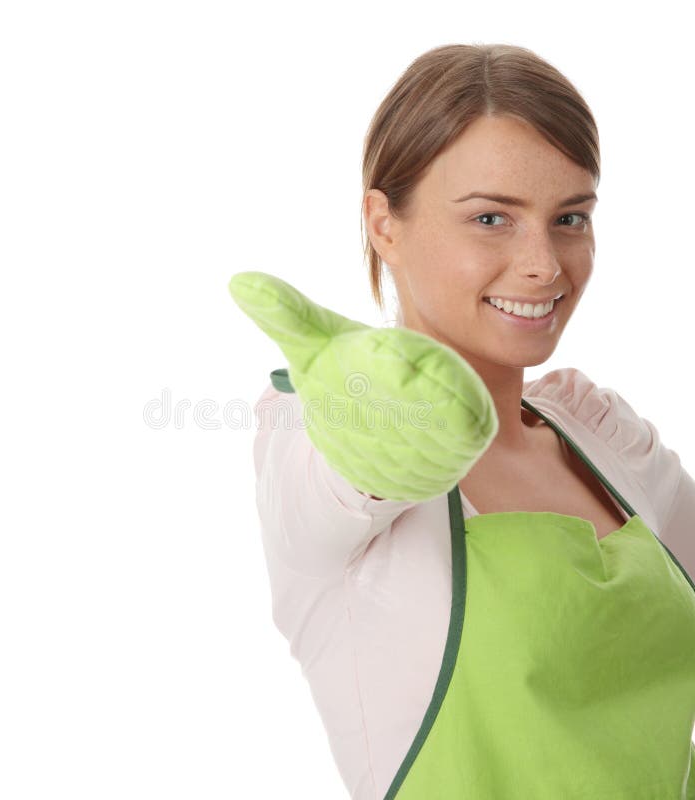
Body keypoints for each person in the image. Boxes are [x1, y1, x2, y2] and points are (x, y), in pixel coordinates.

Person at [244, 43, 695, 799]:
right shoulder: (322, 439)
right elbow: (340, 484)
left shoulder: (597, 436)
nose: (544, 263)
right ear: (384, 224)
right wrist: (380, 403)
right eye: (491, 218)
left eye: (570, 218)